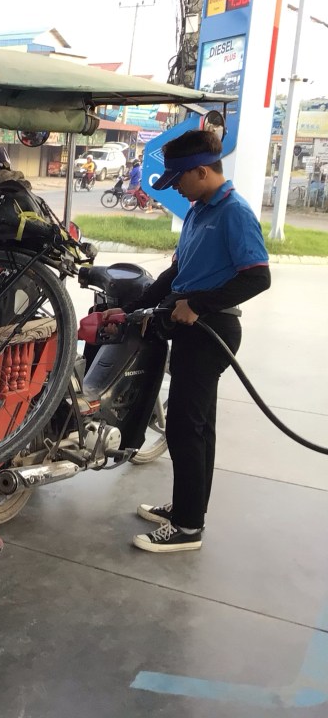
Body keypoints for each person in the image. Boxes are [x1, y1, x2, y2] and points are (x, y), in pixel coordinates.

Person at [103, 129, 270, 553]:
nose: (175, 187)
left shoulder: (234, 212)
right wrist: (132, 308)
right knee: (199, 426)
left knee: (183, 428)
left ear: (202, 171)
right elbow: (176, 273)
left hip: (211, 331)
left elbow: (257, 277)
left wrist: (197, 305)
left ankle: (187, 528)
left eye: (179, 179)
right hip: (191, 327)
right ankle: (188, 509)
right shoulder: (199, 210)